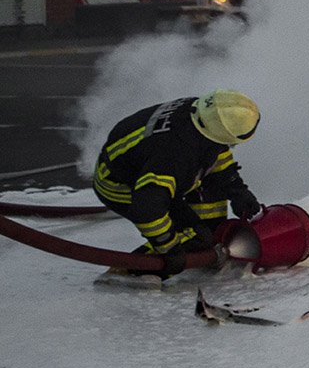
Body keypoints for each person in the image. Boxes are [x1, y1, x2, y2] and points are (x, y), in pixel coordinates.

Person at [93, 90, 263, 278]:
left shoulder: (202, 115)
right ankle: (128, 270)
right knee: (197, 239)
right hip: (123, 188)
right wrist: (169, 249)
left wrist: (237, 189)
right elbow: (147, 209)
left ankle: (203, 244)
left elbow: (215, 150)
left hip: (150, 170)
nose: (230, 147)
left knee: (211, 231)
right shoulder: (174, 155)